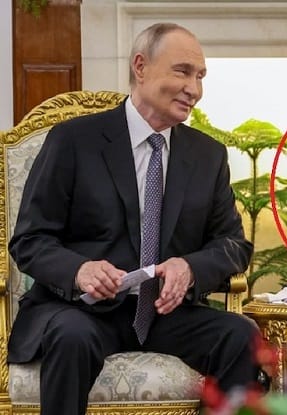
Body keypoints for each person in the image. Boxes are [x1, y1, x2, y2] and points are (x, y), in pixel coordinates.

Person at [7, 23, 261, 415]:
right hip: (81, 310)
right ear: (140, 67)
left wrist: (189, 267)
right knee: (71, 336)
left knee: (241, 335)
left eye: (200, 76)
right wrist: (80, 271)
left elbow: (233, 245)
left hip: (165, 313)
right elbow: (30, 239)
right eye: (182, 72)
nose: (194, 89)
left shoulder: (208, 155)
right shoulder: (74, 141)